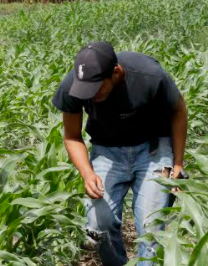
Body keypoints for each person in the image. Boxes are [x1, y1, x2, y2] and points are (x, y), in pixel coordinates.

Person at [53, 42, 188, 266]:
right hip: (106, 151)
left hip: (152, 148)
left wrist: (178, 164)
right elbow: (72, 137)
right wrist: (87, 173)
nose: (91, 95)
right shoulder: (74, 86)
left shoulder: (150, 75)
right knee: (97, 225)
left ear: (116, 73)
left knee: (151, 224)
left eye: (96, 88)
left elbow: (179, 110)